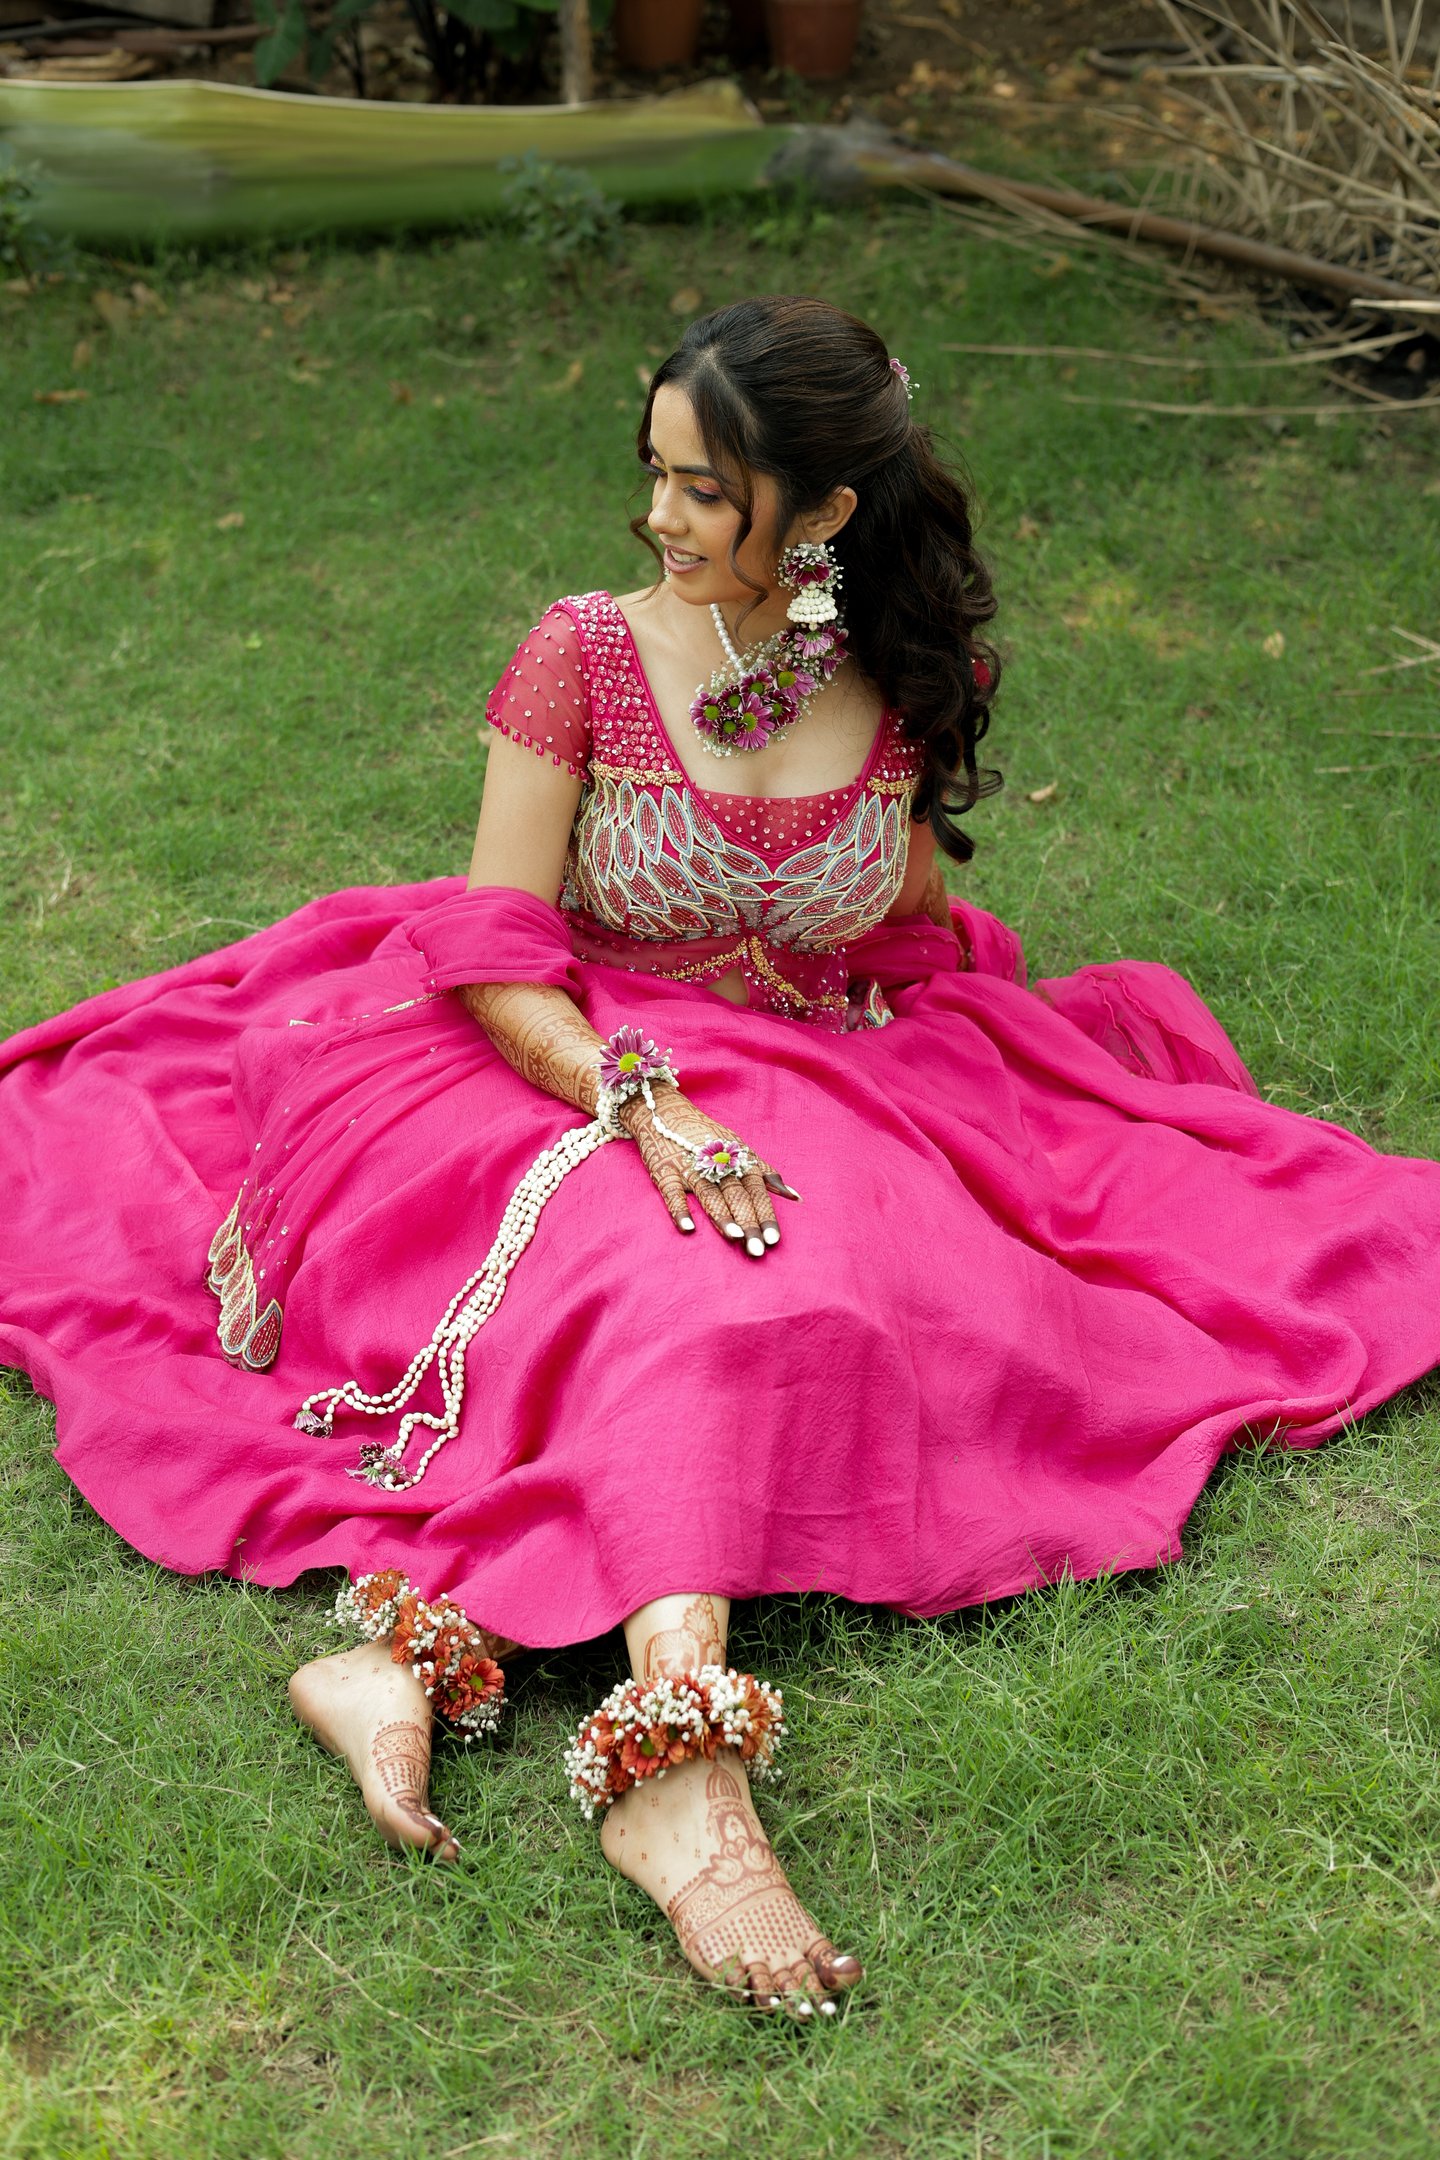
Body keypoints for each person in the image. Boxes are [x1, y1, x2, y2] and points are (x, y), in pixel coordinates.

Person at [3, 295, 1439, 2023]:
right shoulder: (583, 653)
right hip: (539, 1055)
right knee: (693, 1281)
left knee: (806, 1288)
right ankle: (679, 1768)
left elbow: (897, 895)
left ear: (822, 511)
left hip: (824, 1065)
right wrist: (646, 1101)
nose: (662, 522)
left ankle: (408, 1652)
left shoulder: (908, 676)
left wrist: (873, 924)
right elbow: (498, 941)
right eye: (657, 480)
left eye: (704, 490)